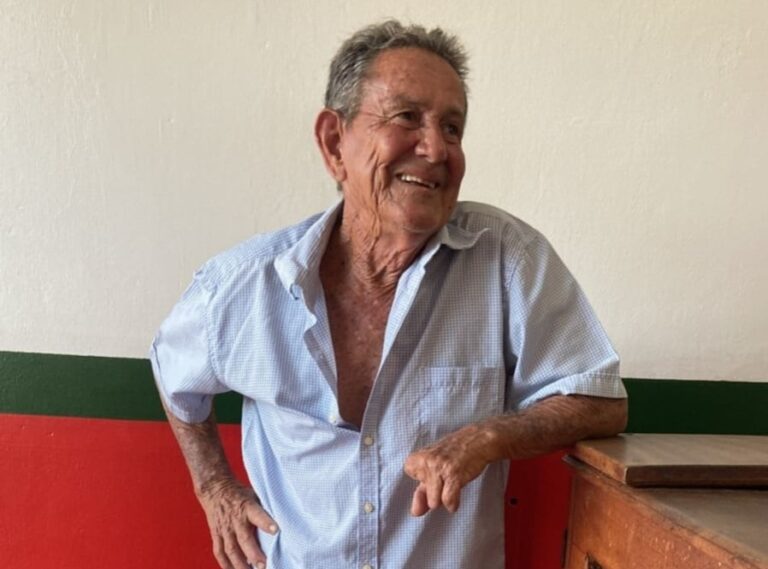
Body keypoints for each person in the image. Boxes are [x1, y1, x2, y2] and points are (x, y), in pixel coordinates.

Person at [150, 20, 628, 569]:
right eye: (406, 117)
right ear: (335, 142)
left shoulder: (507, 260)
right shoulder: (244, 285)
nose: (435, 148)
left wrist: (487, 437)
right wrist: (214, 487)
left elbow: (599, 400)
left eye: (452, 128)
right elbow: (173, 372)